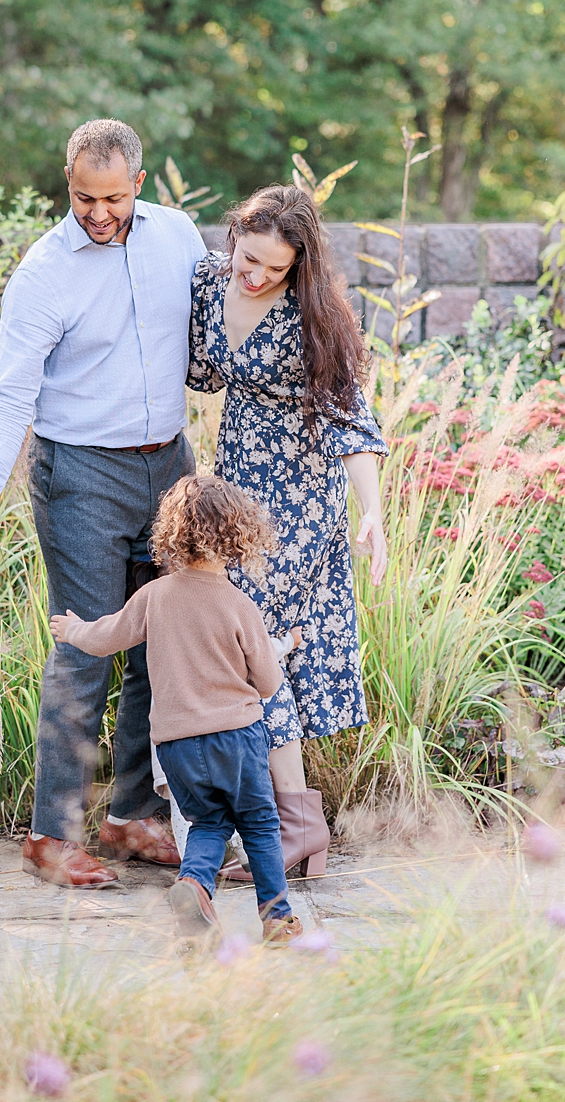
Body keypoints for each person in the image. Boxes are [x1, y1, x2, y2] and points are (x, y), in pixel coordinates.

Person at [0, 119, 202, 888]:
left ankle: (131, 817)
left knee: (161, 644)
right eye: (84, 198)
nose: (99, 213)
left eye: (115, 198)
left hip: (171, 467)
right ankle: (51, 836)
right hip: (82, 475)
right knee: (87, 645)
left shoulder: (180, 237)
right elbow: (8, 398)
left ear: (139, 184)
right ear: (67, 183)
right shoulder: (43, 273)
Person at [186, 183, 389, 881]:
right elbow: (199, 374)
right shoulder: (210, 284)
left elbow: (351, 420)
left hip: (299, 502)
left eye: (273, 269)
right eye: (248, 259)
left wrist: (373, 513)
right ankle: (300, 830)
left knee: (254, 651)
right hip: (233, 492)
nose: (256, 276)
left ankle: (286, 827)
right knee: (266, 657)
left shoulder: (313, 316)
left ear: (297, 265)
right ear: (233, 237)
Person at [50, 475, 303, 945]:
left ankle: (193, 887)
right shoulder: (238, 605)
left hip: (176, 746)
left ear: (171, 533)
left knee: (208, 822)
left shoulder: (154, 597)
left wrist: (75, 629)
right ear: (237, 537)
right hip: (237, 739)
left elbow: (106, 637)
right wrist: (280, 647)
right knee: (260, 824)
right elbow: (267, 683)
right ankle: (278, 919)